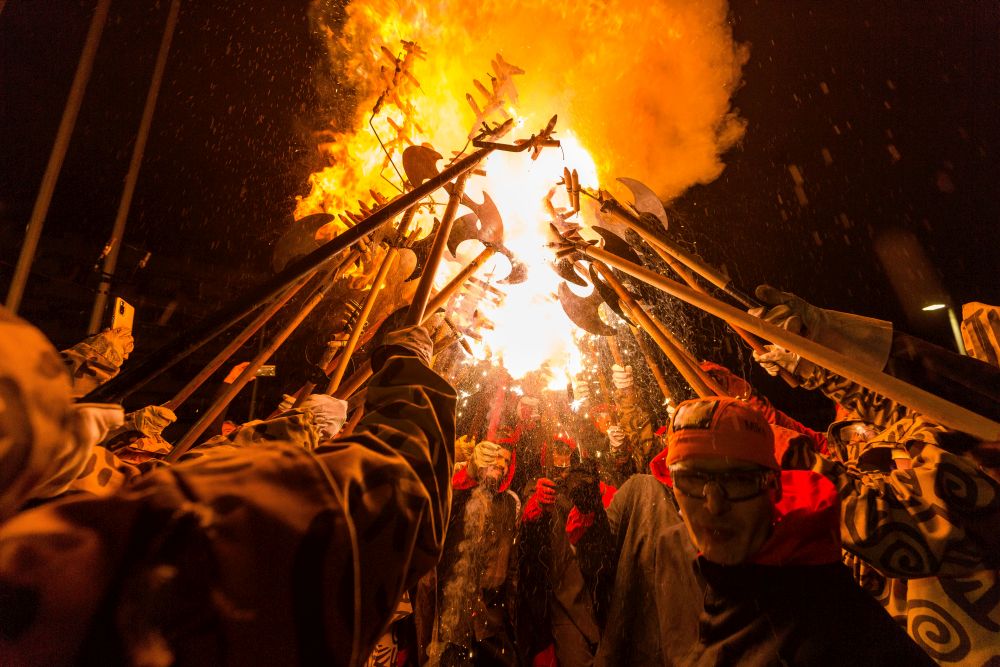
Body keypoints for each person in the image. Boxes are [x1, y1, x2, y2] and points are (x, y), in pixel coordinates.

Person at [0, 323, 456, 666]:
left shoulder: (47, 536)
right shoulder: (187, 570)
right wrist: (409, 373)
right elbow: (402, 490)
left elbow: (158, 485)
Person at [589, 396, 934, 666]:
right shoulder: (714, 576)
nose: (713, 505)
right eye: (692, 478)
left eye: (738, 480)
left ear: (774, 486)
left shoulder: (831, 632)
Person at [417, 439, 521, 666]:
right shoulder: (461, 495)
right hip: (455, 618)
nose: (501, 464)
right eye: (495, 457)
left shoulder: (508, 505)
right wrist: (470, 470)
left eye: (506, 461)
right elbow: (445, 496)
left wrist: (510, 615)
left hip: (490, 621)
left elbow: (511, 565)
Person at [518, 451, 615, 667]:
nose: (561, 456)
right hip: (564, 599)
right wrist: (537, 510)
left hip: (596, 593)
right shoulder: (538, 487)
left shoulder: (583, 481)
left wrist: (590, 512)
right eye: (556, 450)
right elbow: (529, 534)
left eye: (566, 451)